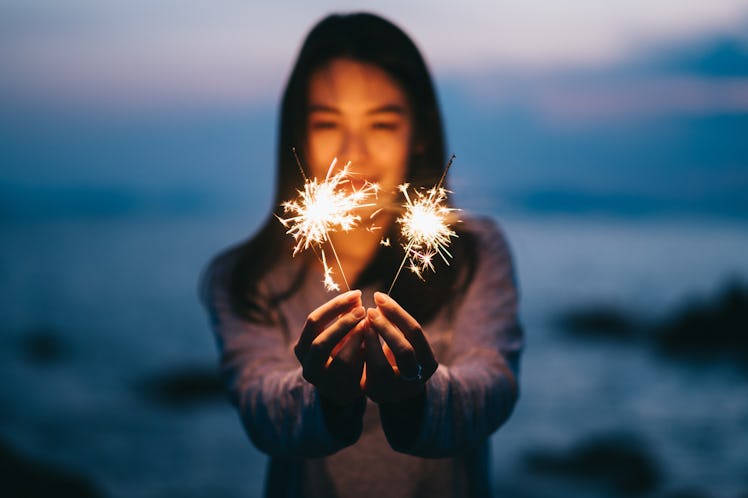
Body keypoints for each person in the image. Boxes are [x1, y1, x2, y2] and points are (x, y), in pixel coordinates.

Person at [201, 12, 523, 498]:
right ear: (298, 136)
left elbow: (492, 386)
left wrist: (415, 396)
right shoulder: (245, 280)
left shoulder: (475, 253)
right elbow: (262, 411)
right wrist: (328, 397)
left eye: (382, 123)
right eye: (328, 123)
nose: (353, 152)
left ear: (419, 134)